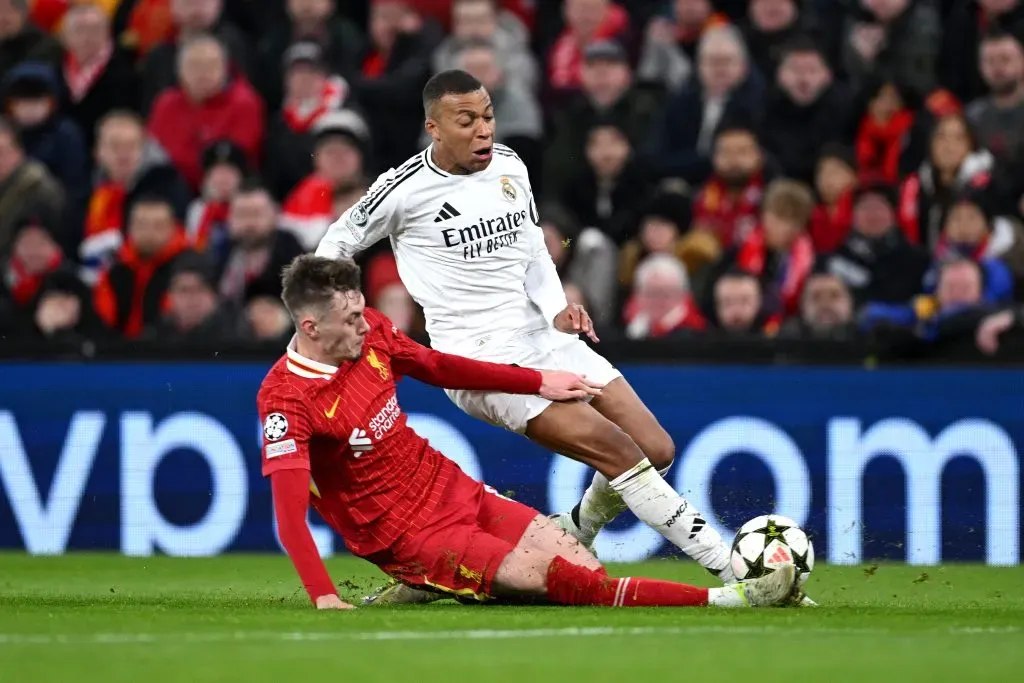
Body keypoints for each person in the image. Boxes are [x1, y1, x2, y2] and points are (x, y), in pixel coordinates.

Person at [315, 69, 817, 606]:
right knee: (618, 453)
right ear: (433, 127)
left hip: (542, 338)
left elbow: (533, 249)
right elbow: (334, 245)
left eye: (488, 116)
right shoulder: (403, 189)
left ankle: (574, 529)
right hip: (480, 359)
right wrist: (344, 314)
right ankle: (739, 577)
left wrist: (557, 310)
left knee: (656, 448)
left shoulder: (509, 164)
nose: (483, 129)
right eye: (467, 121)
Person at [257, 254, 800, 610]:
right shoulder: (286, 400)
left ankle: (438, 586)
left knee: (582, 565)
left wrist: (539, 381)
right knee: (569, 583)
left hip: (452, 488)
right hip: (406, 534)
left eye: (360, 310)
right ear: (311, 327)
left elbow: (442, 367)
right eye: (350, 318)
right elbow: (289, 514)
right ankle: (731, 598)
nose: (364, 322)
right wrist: (323, 594)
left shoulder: (372, 331)